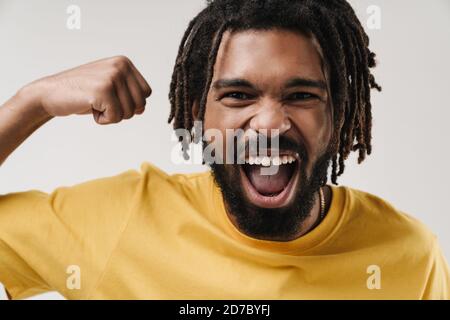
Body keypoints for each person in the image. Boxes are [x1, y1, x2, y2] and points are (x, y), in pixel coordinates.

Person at [0, 0, 448, 300]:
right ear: (198, 113)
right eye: (238, 96)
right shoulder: (123, 219)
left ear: (340, 116)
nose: (271, 122)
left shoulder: (410, 257)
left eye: (302, 95)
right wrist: (31, 103)